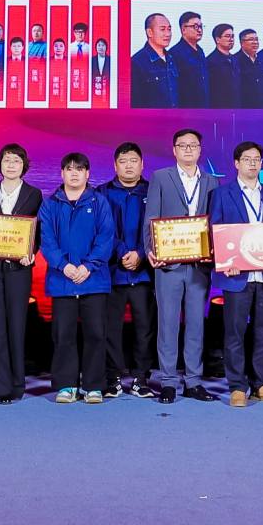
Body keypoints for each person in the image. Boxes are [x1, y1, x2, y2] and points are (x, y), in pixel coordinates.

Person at [205, 141, 263, 406]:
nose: (253, 163)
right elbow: (215, 231)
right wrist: (225, 260)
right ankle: (237, 387)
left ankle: (261, 384)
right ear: (236, 163)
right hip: (236, 275)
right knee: (235, 333)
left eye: (257, 159)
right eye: (247, 159)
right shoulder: (222, 194)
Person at [145, 128, 219, 401]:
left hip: (199, 265)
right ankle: (167, 381)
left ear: (200, 150)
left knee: (196, 324)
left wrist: (215, 252)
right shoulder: (161, 177)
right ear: (174, 150)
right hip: (169, 264)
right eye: (183, 145)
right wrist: (150, 250)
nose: (188, 149)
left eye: (193, 145)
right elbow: (150, 217)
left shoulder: (211, 181)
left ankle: (193, 381)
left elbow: (216, 220)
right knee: (168, 324)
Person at [40, 151, 116, 403]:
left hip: (93, 280)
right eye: (69, 169)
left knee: (96, 334)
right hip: (63, 280)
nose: (74, 173)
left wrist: (88, 266)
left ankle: (93, 386)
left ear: (87, 173)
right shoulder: (50, 204)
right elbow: (46, 240)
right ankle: (66, 385)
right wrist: (63, 266)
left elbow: (106, 237)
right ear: (62, 173)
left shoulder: (100, 202)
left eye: (79, 169)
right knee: (63, 335)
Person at [0, 144, 43, 401]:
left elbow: (37, 230)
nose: (11, 165)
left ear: (24, 165)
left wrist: (31, 251)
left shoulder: (34, 194)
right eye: (7, 160)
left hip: (19, 268)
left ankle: (16, 384)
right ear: (0, 164)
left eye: (16, 160)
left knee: (16, 325)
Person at [101, 142, 155, 395]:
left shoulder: (154, 191)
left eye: (134, 161)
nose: (129, 166)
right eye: (123, 162)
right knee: (110, 328)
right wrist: (123, 252)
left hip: (144, 273)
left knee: (145, 328)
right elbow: (101, 230)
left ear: (142, 165)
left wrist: (141, 254)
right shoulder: (102, 193)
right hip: (113, 272)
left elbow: (159, 227)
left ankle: (140, 379)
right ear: (115, 166)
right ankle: (112, 377)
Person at [132, 12, 179, 108]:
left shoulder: (172, 58)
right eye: (162, 29)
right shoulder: (136, 62)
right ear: (150, 32)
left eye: (169, 29)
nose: (168, 34)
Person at [169, 12, 210, 109]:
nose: (199, 30)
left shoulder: (200, 51)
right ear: (183, 29)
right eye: (195, 26)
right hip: (187, 109)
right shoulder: (174, 53)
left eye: (201, 26)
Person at [205, 23, 242, 109]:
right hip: (219, 108)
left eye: (232, 36)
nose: (231, 39)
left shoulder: (235, 59)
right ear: (217, 39)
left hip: (236, 107)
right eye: (227, 36)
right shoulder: (210, 61)